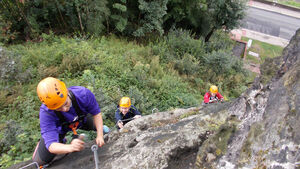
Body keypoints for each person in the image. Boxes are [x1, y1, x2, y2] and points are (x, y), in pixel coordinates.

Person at [32, 77, 109, 166]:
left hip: (81, 119)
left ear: (67, 92)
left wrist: (99, 136)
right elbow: (51, 145)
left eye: (65, 104)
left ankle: (100, 129)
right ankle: (61, 141)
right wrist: (70, 147)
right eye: (59, 108)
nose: (64, 109)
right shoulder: (46, 113)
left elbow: (96, 113)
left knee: (101, 130)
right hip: (60, 130)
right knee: (39, 161)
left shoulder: (83, 94)